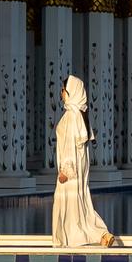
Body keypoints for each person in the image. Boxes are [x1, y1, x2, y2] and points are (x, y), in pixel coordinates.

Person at [53, 74, 118, 248]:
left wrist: (65, 171)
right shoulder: (79, 114)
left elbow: (69, 145)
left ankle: (79, 238)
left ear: (71, 92)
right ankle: (101, 235)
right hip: (77, 169)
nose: (61, 93)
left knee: (71, 205)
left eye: (64, 90)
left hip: (70, 171)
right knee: (80, 203)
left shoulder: (71, 116)